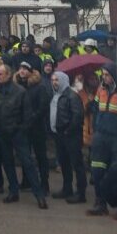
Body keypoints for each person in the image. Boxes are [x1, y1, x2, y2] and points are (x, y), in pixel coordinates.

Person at [0, 65, 47, 208]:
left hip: (18, 134)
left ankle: (39, 195)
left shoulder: (20, 92)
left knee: (28, 164)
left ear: (9, 75)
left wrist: (20, 129)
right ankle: (13, 191)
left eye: (1, 74)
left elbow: (27, 115)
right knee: (8, 164)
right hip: (2, 134)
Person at [88, 62, 117, 216]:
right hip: (100, 136)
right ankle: (100, 203)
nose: (104, 77)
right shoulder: (100, 90)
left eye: (107, 74)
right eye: (103, 74)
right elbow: (94, 108)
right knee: (97, 171)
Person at [49, 71, 86, 203]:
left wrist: (68, 130)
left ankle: (81, 193)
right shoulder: (55, 96)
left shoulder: (72, 96)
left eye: (57, 80)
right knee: (64, 163)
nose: (54, 82)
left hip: (70, 135)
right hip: (59, 134)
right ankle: (67, 188)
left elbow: (78, 116)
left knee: (77, 164)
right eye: (53, 80)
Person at [16, 63, 51, 194]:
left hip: (37, 128)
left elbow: (43, 107)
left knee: (41, 156)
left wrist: (32, 118)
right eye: (21, 69)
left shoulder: (39, 87)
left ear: (31, 72)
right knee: (25, 156)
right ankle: (26, 181)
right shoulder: (19, 87)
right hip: (24, 127)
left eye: (25, 69)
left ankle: (44, 183)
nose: (22, 71)